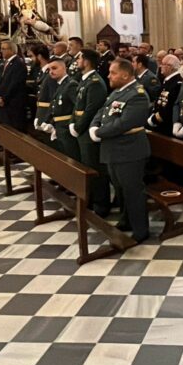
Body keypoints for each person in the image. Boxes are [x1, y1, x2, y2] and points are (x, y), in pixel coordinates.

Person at [92, 59, 152, 241]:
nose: (109, 76)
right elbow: (103, 111)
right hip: (113, 149)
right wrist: (94, 126)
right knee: (120, 190)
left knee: (133, 191)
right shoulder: (118, 92)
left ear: (125, 75)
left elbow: (124, 123)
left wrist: (99, 132)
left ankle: (140, 230)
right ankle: (126, 220)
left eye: (113, 73)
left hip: (129, 150)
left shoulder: (137, 95)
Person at [70, 50, 110, 216]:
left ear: (86, 61)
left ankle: (101, 204)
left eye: (79, 58)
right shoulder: (85, 80)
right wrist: (72, 122)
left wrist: (78, 127)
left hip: (88, 131)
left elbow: (92, 109)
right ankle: (91, 199)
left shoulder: (95, 82)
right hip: (82, 129)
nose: (76, 61)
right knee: (86, 167)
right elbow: (77, 105)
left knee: (95, 168)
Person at [39, 58, 81, 161]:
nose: (51, 72)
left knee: (71, 159)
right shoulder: (61, 84)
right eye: (49, 69)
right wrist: (47, 121)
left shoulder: (71, 84)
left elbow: (78, 106)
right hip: (59, 127)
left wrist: (72, 124)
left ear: (64, 68)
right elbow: (54, 105)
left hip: (66, 128)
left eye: (54, 68)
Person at [0, 41, 28, 132]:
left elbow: (14, 84)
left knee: (13, 129)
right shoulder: (7, 63)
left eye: (4, 49)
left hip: (13, 102)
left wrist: (4, 98)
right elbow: (3, 81)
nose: (1, 51)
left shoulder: (18, 63)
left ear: (12, 50)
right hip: (6, 101)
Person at [147, 54, 182, 135]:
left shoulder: (176, 83)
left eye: (163, 64)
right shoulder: (168, 81)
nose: (160, 66)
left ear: (170, 67)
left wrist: (153, 120)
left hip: (166, 126)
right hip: (159, 123)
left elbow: (169, 107)